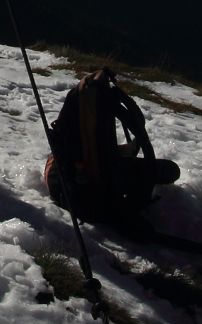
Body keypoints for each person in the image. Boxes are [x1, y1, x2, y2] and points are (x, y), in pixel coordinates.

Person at [44, 67, 180, 226]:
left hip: (81, 170)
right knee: (167, 170)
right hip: (81, 180)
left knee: (170, 170)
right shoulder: (98, 99)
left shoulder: (86, 99)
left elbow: (96, 150)